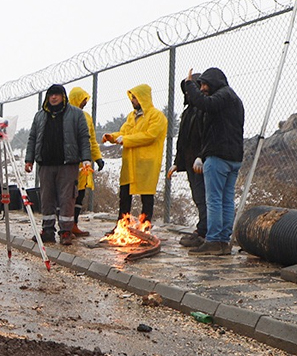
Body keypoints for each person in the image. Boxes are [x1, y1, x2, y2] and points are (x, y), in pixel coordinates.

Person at [181, 67, 244, 256]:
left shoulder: (223, 96)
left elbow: (204, 103)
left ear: (215, 82)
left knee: (214, 200)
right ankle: (224, 240)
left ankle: (214, 239)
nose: (202, 89)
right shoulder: (233, 99)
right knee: (226, 200)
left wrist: (189, 84)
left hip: (218, 157)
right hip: (234, 157)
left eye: (205, 84)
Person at [24, 84, 92, 245]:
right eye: (51, 95)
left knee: (66, 198)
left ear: (63, 96)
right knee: (46, 198)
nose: (53, 97)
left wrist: (86, 159)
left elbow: (84, 137)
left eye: (57, 95)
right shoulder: (40, 116)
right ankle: (47, 230)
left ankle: (66, 231)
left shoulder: (76, 115)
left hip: (67, 164)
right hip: (45, 164)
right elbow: (33, 138)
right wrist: (29, 159)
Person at [102, 84, 167, 227]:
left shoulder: (156, 116)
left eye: (135, 97)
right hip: (129, 162)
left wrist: (126, 140)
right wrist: (112, 137)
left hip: (146, 163)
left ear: (143, 97)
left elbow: (150, 135)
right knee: (124, 195)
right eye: (131, 97)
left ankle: (145, 227)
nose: (132, 100)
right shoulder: (131, 117)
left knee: (146, 196)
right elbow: (123, 132)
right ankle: (121, 227)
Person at [167, 73, 208, 248]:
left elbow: (207, 137)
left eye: (191, 89)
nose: (187, 94)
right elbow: (182, 141)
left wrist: (202, 157)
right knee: (198, 196)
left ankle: (205, 231)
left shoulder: (204, 110)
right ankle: (203, 228)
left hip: (203, 163)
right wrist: (178, 162)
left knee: (206, 197)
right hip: (191, 162)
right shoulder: (188, 112)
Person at [67, 87, 104, 236]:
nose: (85, 103)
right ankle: (65, 225)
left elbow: (92, 141)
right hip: (70, 162)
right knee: (68, 194)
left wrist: (98, 157)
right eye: (83, 100)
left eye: (86, 100)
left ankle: (74, 224)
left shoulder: (87, 117)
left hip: (84, 163)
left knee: (80, 193)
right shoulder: (67, 115)